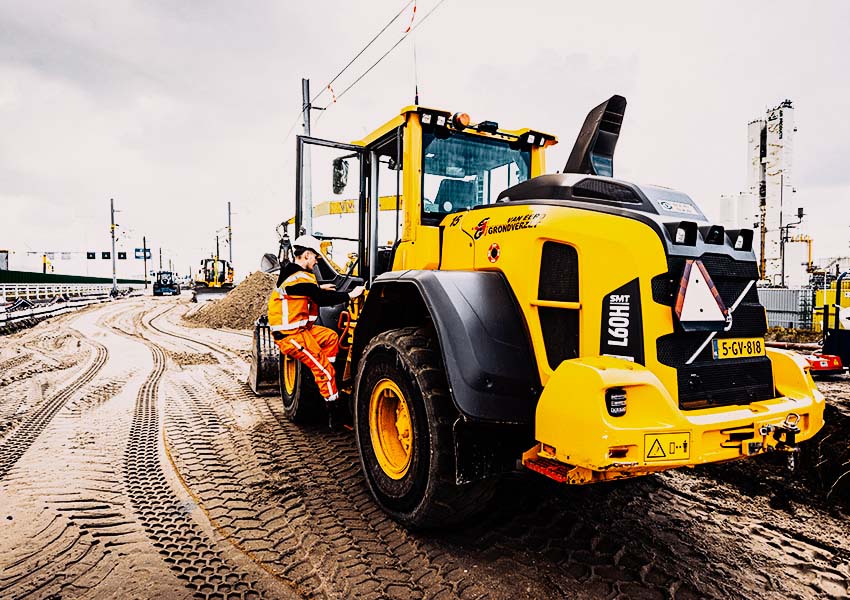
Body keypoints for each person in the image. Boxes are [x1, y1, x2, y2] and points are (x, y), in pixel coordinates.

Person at [267, 234, 365, 430]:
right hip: (290, 335)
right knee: (323, 369)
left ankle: (329, 382)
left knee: (330, 337)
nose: (316, 261)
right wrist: (349, 294)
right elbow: (319, 299)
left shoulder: (294, 274)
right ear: (306, 255)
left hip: (303, 329)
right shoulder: (299, 277)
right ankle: (334, 414)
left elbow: (303, 290)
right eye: (315, 257)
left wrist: (319, 286)